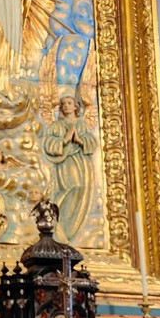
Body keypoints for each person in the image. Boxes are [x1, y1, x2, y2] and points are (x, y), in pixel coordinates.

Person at [42, 95, 98, 242]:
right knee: (70, 188)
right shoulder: (55, 126)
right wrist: (65, 140)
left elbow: (91, 141)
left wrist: (79, 140)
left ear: (75, 107)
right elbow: (48, 142)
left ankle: (69, 228)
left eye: (69, 103)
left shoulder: (81, 125)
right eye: (63, 104)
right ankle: (57, 221)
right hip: (65, 163)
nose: (66, 106)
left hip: (81, 163)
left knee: (80, 189)